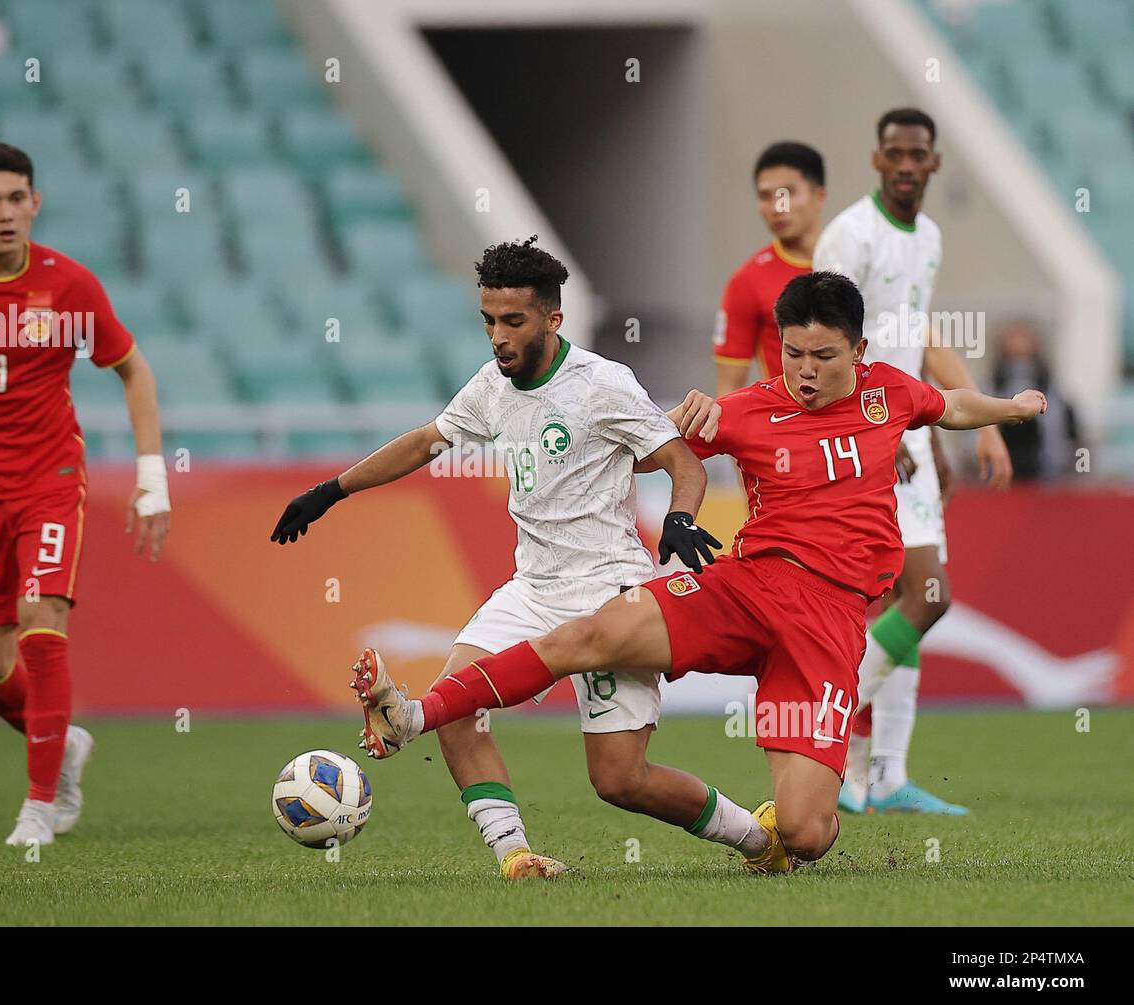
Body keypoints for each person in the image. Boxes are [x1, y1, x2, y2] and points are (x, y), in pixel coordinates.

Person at [351, 271, 1047, 873]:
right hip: (742, 587)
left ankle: (772, 832)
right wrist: (688, 418)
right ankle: (413, 713)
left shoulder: (887, 395)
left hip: (826, 627)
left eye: (824, 357)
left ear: (859, 353)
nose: (806, 370)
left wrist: (1009, 409)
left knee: (807, 834)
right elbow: (653, 438)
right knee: (589, 636)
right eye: (794, 354)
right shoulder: (746, 409)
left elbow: (948, 406)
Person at [272, 237, 748, 879]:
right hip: (532, 588)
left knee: (620, 781)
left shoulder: (602, 384)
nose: (498, 337)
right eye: (488, 321)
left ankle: (758, 837)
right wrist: (330, 491)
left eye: (513, 321)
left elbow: (681, 462)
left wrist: (681, 516)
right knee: (458, 710)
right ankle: (515, 856)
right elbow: (422, 443)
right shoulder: (491, 388)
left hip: (611, 592)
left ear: (553, 319)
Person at [0, 143, 171, 846]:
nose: (6, 212)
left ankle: (39, 806)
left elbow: (134, 371)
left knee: (40, 616)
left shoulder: (70, 287)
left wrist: (151, 479)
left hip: (49, 482)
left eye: (18, 198)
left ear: (35, 203)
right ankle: (63, 742)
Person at [814, 108, 1013, 814]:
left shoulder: (926, 236)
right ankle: (826, 728)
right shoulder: (850, 234)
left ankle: (887, 775)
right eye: (893, 153)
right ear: (876, 159)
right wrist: (878, 428)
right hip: (864, 439)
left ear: (933, 163)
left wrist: (956, 424)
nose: (905, 164)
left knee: (912, 599)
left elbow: (912, 333)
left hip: (905, 437)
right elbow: (823, 336)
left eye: (917, 155)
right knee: (929, 596)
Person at [713, 142, 826, 395]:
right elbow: (728, 391)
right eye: (766, 196)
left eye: (787, 194)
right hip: (792, 429)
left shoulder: (860, 262)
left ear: (819, 196)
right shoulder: (747, 281)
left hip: (869, 426)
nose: (778, 208)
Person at [989, 321, 1079, 480]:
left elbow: (1071, 445)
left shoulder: (1058, 400)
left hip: (1047, 481)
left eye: (1025, 357)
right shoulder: (985, 394)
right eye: (1013, 356)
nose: (1019, 367)